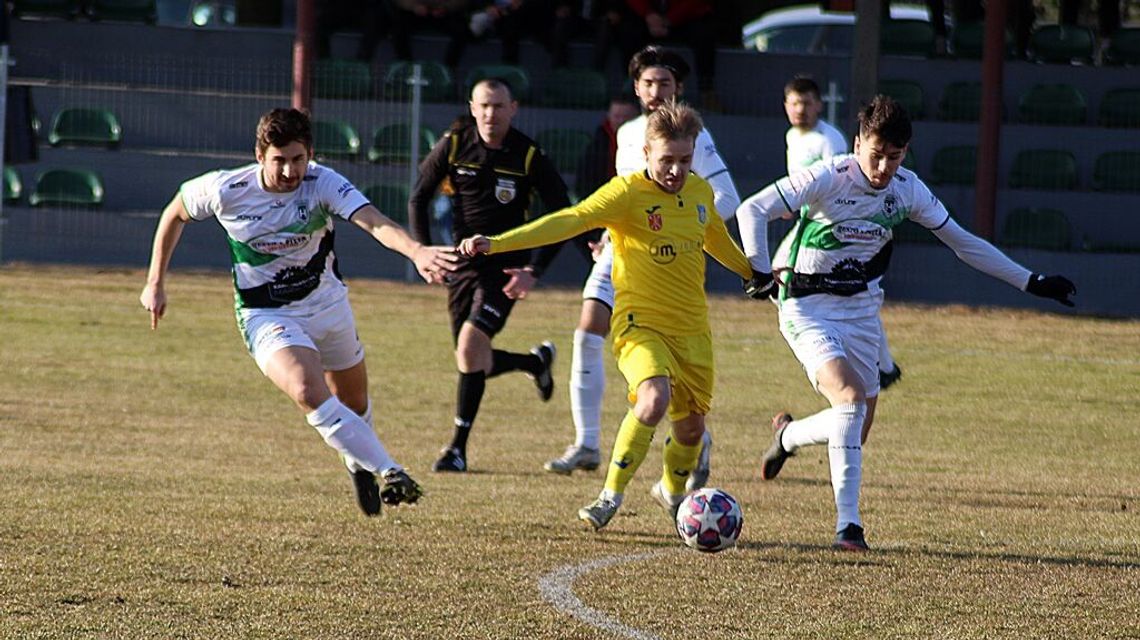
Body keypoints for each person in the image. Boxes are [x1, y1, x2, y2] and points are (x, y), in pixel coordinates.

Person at [735, 95, 1077, 551]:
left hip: (861, 313)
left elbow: (964, 243)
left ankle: (789, 435)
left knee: (853, 425)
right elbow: (751, 209)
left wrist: (1030, 282)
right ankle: (849, 529)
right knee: (850, 400)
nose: (882, 167)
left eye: (893, 157)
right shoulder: (829, 176)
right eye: (875, 154)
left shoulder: (908, 190)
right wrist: (757, 271)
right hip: (806, 306)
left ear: (905, 152)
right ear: (857, 143)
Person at [139, 108, 457, 517]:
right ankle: (390, 470)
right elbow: (174, 213)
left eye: (298, 159)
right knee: (308, 392)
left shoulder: (323, 182)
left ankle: (355, 459)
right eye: (279, 160)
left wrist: (416, 251)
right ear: (260, 155)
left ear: (310, 154)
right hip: (267, 314)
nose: (290, 170)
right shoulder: (225, 189)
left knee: (354, 402)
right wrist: (155, 282)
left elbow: (373, 221)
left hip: (328, 306)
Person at [458, 101, 757, 530]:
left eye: (685, 160)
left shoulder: (699, 193)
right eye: (666, 161)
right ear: (647, 155)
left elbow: (716, 239)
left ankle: (671, 493)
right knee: (653, 399)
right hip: (640, 324)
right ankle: (609, 495)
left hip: (692, 331)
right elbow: (570, 219)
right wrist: (498, 243)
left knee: (691, 430)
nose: (675, 170)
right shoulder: (627, 194)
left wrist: (752, 272)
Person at [544, 45, 741, 489]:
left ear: (679, 89)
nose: (656, 91)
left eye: (665, 84)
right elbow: (624, 197)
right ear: (636, 87)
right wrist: (613, 231)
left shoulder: (695, 137)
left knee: (662, 366)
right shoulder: (628, 130)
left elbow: (725, 198)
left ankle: (694, 436)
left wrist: (680, 231)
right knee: (588, 326)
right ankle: (588, 442)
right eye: (648, 83)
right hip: (621, 251)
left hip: (666, 262)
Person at [409, 78, 573, 473]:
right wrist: (425, 251)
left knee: (470, 346)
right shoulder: (454, 144)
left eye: (498, 106)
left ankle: (456, 450)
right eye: (483, 106)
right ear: (472, 106)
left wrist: (533, 270)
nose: (490, 114)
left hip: (505, 269)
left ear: (513, 108)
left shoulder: (527, 154)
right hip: (463, 268)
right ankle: (534, 363)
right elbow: (419, 196)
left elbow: (562, 214)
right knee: (472, 360)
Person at [783, 75, 903, 391]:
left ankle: (876, 362)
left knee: (851, 289)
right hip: (811, 220)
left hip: (836, 223)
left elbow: (837, 179)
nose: (800, 110)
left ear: (819, 105)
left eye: (807, 103)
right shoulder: (793, 136)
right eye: (795, 103)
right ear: (786, 106)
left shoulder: (829, 139)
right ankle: (870, 360)